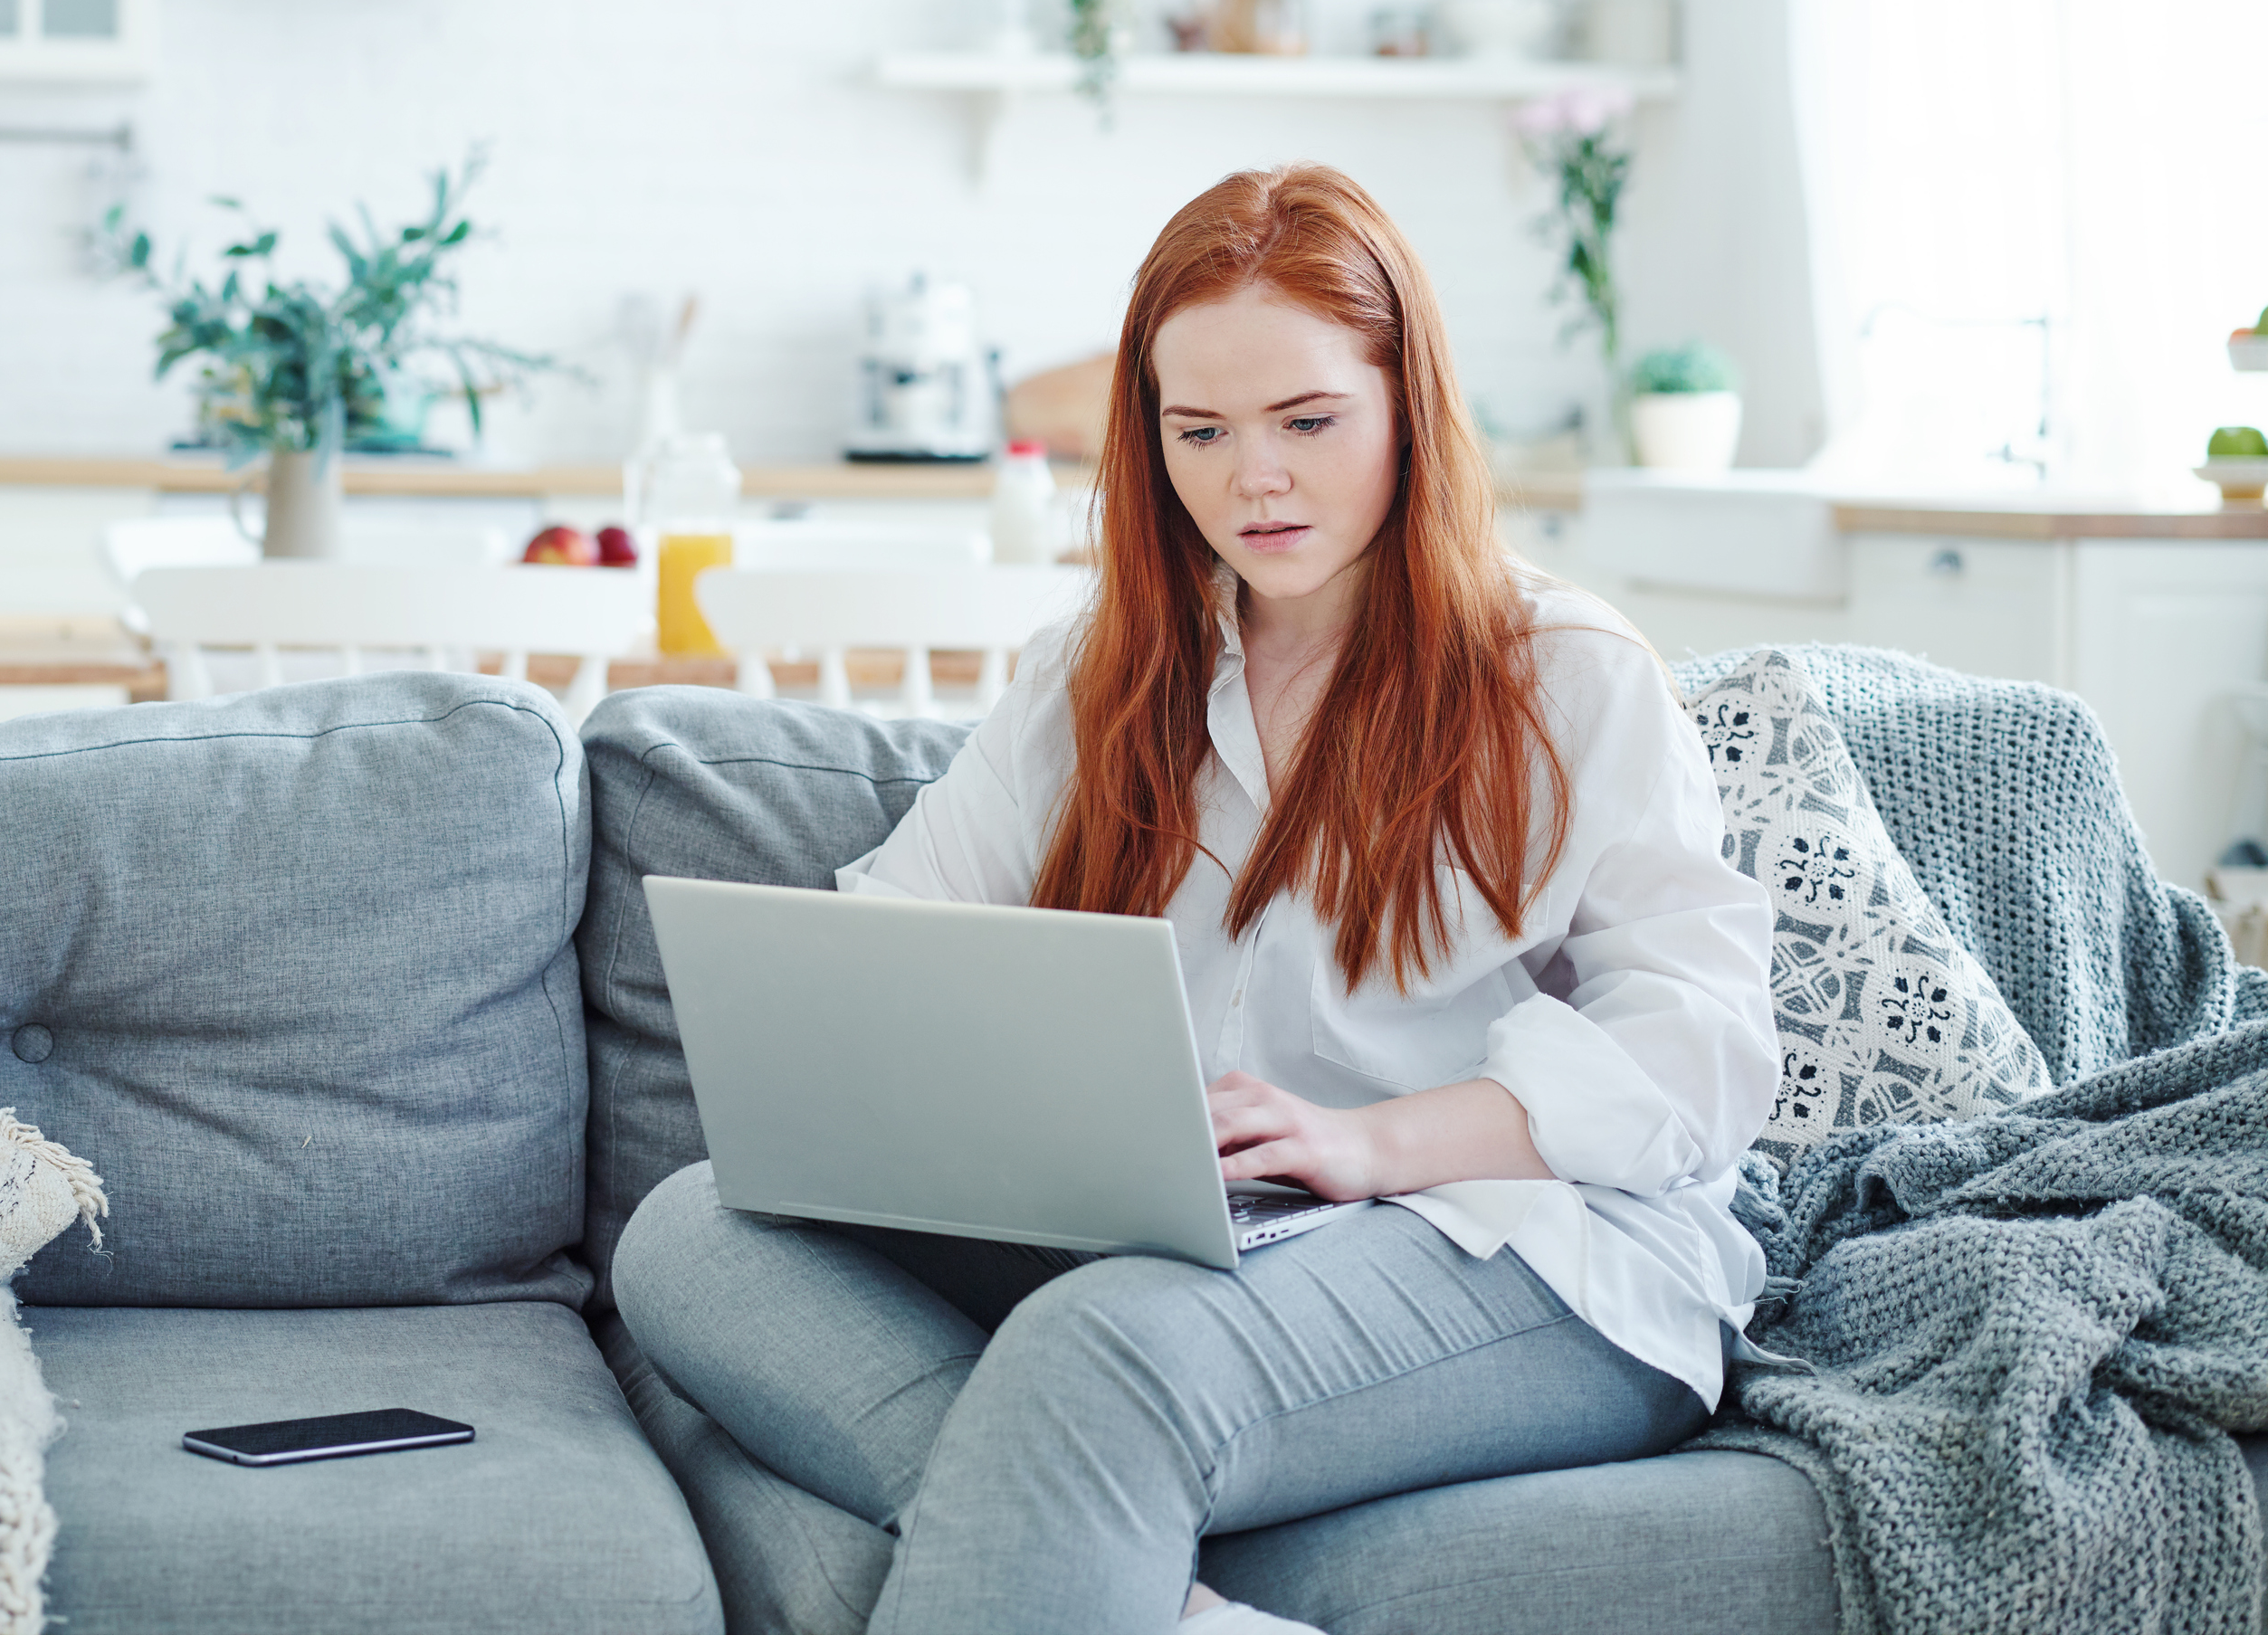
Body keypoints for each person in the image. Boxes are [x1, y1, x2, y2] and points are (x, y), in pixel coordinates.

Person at [612, 166, 1776, 1635]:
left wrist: (1369, 1142)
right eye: (1199, 433)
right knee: (693, 1224)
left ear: (1406, 403)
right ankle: (1139, 1579)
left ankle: (1077, 1508)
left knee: (1105, 1351)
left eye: (1305, 422)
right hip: (1193, 1240)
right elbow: (889, 935)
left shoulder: (1563, 671)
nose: (1253, 480)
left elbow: (1701, 1054)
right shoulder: (1099, 669)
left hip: (1522, 1243)